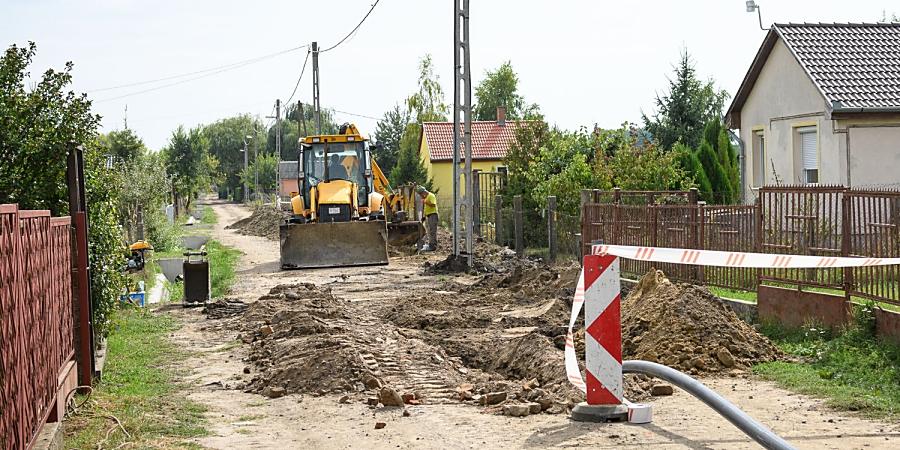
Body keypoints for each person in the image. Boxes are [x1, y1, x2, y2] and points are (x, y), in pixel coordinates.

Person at [417, 186, 438, 251]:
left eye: (421, 195)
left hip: (433, 215)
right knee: (430, 231)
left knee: (432, 231)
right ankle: (431, 244)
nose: (421, 196)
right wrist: (424, 217)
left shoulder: (431, 196)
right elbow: (426, 209)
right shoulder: (427, 197)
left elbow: (433, 204)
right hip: (429, 215)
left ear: (423, 192)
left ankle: (433, 246)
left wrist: (426, 202)